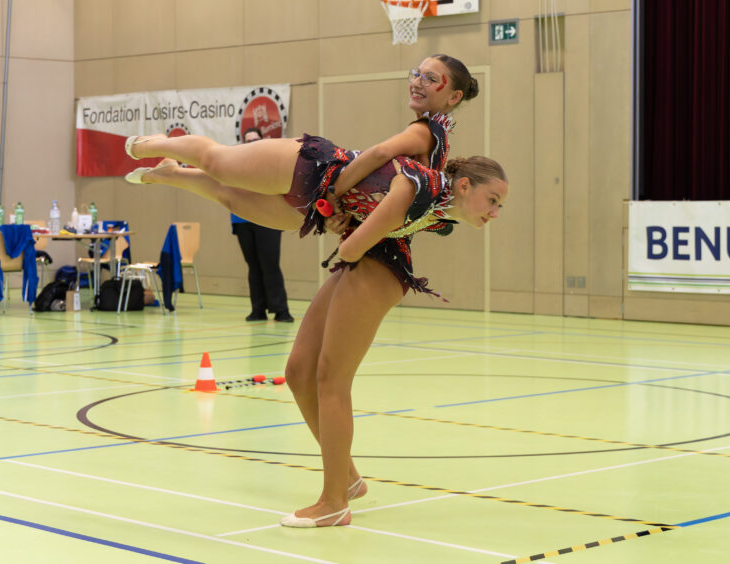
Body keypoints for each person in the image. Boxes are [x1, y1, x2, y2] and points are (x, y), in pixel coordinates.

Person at [123, 54, 497, 528]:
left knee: (226, 184)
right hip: (321, 181)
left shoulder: (432, 156)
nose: (418, 82)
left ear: (453, 95)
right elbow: (378, 163)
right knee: (222, 177)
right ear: (462, 185)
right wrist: (338, 205)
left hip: (335, 208)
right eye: (416, 74)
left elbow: (381, 179)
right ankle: (161, 157)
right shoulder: (430, 151)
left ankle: (334, 500)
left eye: (431, 78)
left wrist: (341, 211)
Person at [232, 127, 293, 322]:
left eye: (255, 140)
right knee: (253, 266)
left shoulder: (271, 163)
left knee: (270, 264)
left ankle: (281, 310)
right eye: (248, 141)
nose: (252, 144)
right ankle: (257, 309)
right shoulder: (235, 164)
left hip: (268, 219)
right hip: (243, 220)